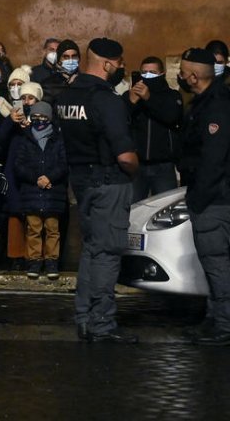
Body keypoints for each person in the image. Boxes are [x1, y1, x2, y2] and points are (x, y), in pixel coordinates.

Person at [56, 37, 139, 344]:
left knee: (91, 250)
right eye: (119, 64)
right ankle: (102, 322)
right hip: (109, 182)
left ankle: (84, 318)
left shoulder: (67, 96)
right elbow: (126, 155)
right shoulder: (106, 99)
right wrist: (134, 170)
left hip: (81, 182)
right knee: (106, 253)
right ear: (106, 64)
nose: (122, 68)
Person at [177, 47, 230, 346]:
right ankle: (214, 319)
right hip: (214, 197)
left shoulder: (216, 106)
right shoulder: (208, 102)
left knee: (217, 263)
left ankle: (224, 324)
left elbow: (213, 158)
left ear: (194, 76)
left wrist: (199, 198)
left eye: (184, 73)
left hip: (214, 200)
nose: (182, 77)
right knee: (215, 265)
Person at [0, 79, 44, 271]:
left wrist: (29, 126)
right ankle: (16, 256)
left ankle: (34, 257)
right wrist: (10, 122)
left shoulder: (42, 122)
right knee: (14, 216)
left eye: (31, 98)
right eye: (24, 98)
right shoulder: (12, 122)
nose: (27, 102)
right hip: (13, 176)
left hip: (33, 175)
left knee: (34, 218)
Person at [14, 101, 68, 279]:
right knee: (34, 229)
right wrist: (37, 179)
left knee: (52, 228)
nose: (38, 120)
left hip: (53, 193)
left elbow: (64, 164)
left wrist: (50, 178)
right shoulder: (25, 138)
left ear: (50, 118)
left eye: (43, 117)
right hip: (31, 192)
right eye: (35, 117)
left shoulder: (58, 139)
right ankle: (34, 261)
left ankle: (52, 262)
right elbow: (19, 165)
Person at [125, 56, 183, 202]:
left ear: (162, 74)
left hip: (163, 166)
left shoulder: (172, 96)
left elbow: (171, 116)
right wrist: (131, 102)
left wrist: (149, 98)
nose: (147, 76)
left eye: (152, 72)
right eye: (144, 72)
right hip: (137, 165)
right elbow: (119, 119)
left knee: (167, 207)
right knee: (132, 208)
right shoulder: (131, 96)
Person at [41, 39, 80, 105]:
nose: (70, 60)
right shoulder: (48, 85)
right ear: (59, 60)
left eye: (74, 56)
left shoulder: (85, 81)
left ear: (79, 58)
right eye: (66, 57)